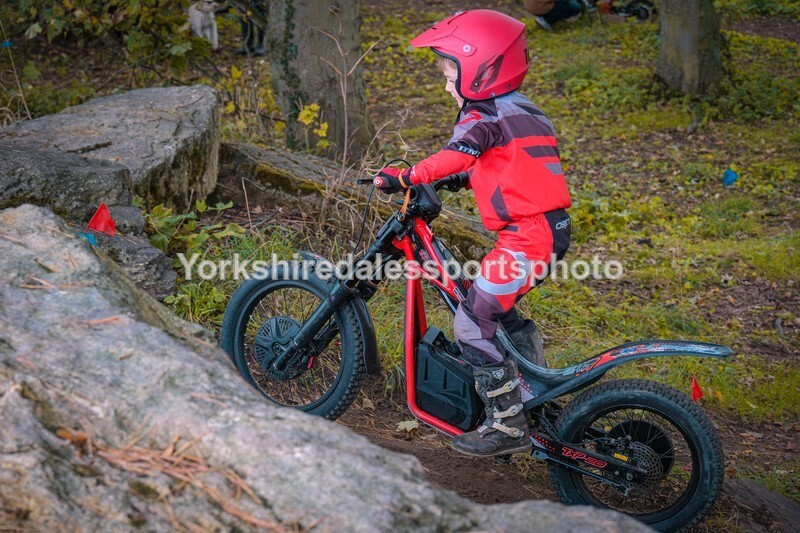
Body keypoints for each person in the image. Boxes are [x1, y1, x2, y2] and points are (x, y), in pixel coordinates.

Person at [373, 9, 572, 458]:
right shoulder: (521, 110)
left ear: (480, 70)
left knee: (471, 323)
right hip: (546, 228)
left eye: (450, 74)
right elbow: (509, 165)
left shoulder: (482, 118)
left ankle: (507, 425)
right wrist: (465, 178)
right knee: (496, 313)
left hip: (527, 237)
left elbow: (456, 155)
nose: (447, 84)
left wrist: (407, 176)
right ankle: (533, 394)